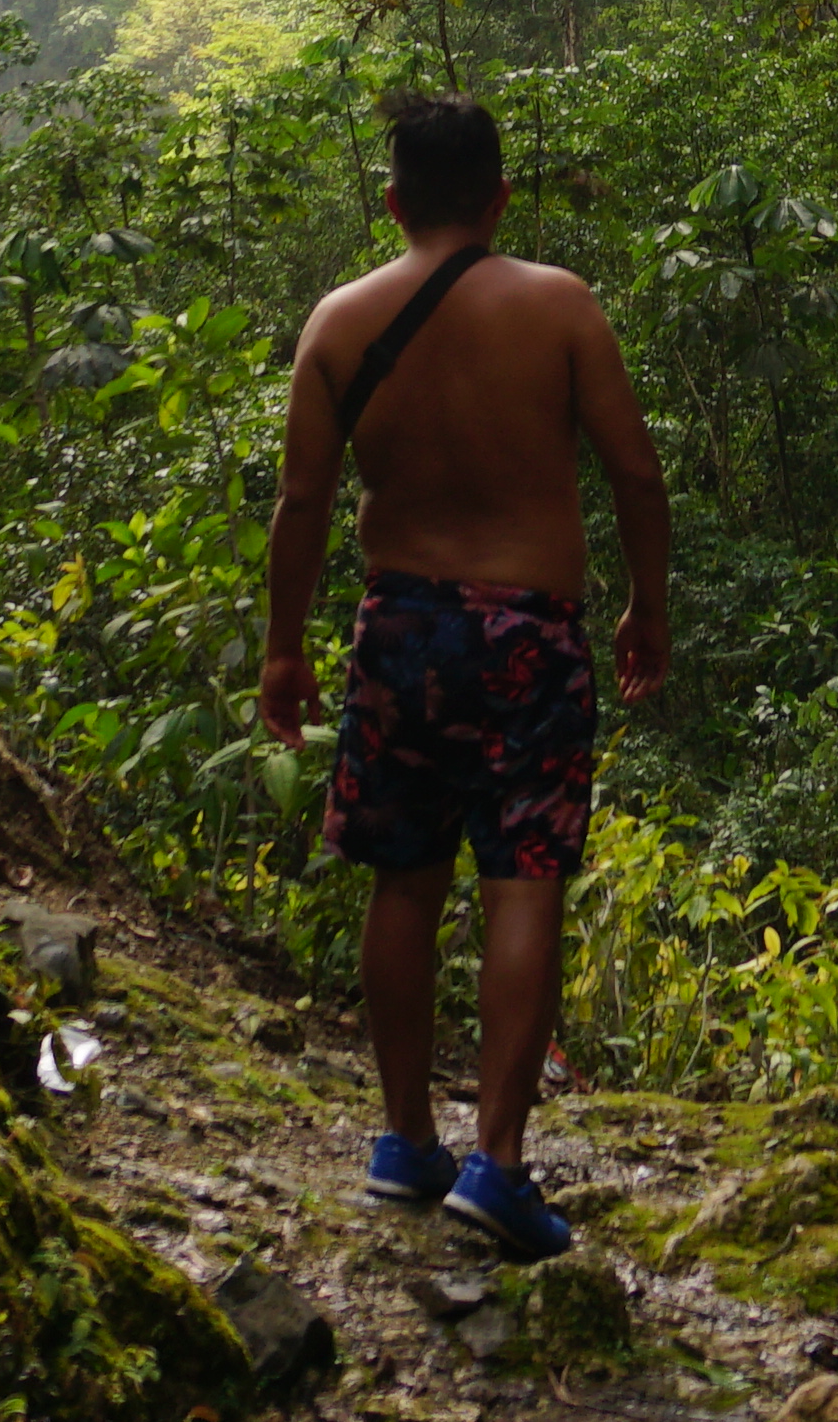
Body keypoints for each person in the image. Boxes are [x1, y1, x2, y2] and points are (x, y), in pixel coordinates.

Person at [255, 88, 672, 1269]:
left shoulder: (338, 321)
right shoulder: (558, 304)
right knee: (522, 883)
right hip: (529, 633)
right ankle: (495, 1162)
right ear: (499, 197)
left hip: (399, 629)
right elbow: (636, 475)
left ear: (392, 202)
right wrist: (647, 605)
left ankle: (403, 1141)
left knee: (404, 880)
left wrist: (284, 646)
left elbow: (302, 502)